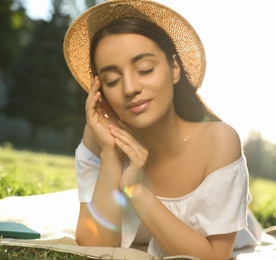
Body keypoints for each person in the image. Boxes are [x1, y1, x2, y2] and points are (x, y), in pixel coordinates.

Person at [63, 0, 262, 259]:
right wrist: (111, 155)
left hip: (233, 230)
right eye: (112, 80)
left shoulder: (219, 141)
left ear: (175, 69)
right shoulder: (101, 136)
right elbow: (95, 243)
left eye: (145, 69)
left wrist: (136, 190)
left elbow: (214, 256)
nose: (130, 88)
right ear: (100, 90)